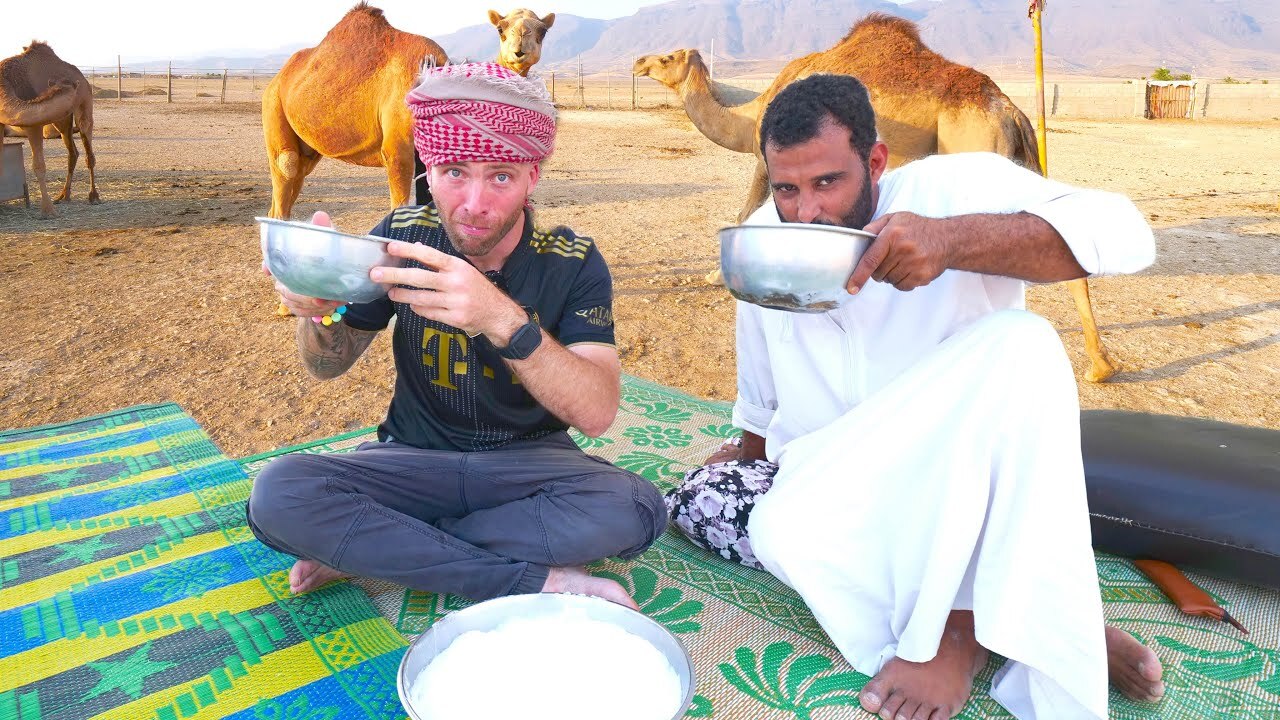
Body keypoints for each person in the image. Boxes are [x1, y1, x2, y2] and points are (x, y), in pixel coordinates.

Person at [665, 74, 1161, 719]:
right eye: (787, 188)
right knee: (761, 522)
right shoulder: (769, 238)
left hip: (960, 481)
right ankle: (1028, 620)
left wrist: (951, 242)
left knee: (1023, 343)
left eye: (827, 182)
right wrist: (748, 456)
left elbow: (1127, 235)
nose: (806, 211)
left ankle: (958, 630)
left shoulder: (952, 190)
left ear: (875, 161)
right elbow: (760, 387)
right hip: (839, 478)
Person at [248, 62, 667, 610]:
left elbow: (597, 412)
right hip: (411, 461)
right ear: (428, 168)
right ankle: (530, 579)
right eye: (453, 173)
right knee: (279, 493)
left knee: (634, 508)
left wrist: (502, 319)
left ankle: (380, 545)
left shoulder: (572, 260)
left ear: (532, 177)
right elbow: (327, 365)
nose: (474, 204)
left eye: (501, 176)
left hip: (528, 467)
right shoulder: (404, 236)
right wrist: (318, 306)